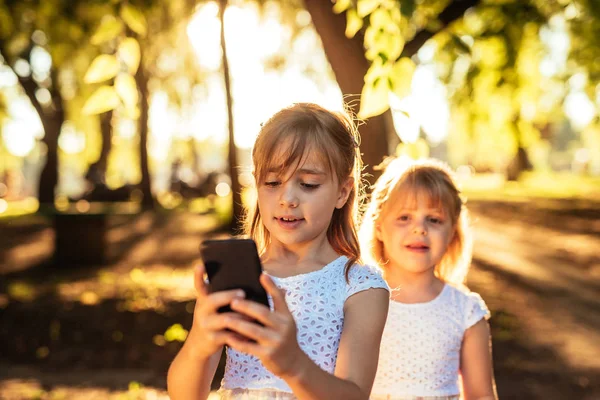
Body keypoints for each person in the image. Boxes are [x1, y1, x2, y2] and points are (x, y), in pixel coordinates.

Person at [167, 103, 390, 400]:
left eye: (308, 184)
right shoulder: (237, 280)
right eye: (272, 182)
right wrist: (199, 343)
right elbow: (184, 395)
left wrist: (293, 364)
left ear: (342, 192)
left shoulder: (361, 288)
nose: (287, 198)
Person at [360, 157, 498, 400]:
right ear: (379, 226)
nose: (419, 229)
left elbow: (481, 396)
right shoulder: (356, 301)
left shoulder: (466, 311)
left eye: (433, 219)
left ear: (452, 232)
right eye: (404, 217)